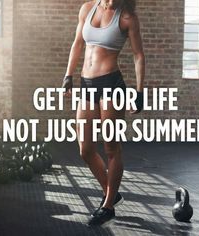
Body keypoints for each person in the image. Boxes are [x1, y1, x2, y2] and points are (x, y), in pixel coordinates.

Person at [62, 0, 145, 227]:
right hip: (87, 84)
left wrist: (139, 92)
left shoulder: (126, 17)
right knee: (85, 149)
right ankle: (112, 192)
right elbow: (78, 42)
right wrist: (68, 75)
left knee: (111, 147)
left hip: (112, 85)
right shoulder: (87, 8)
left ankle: (107, 207)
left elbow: (138, 55)